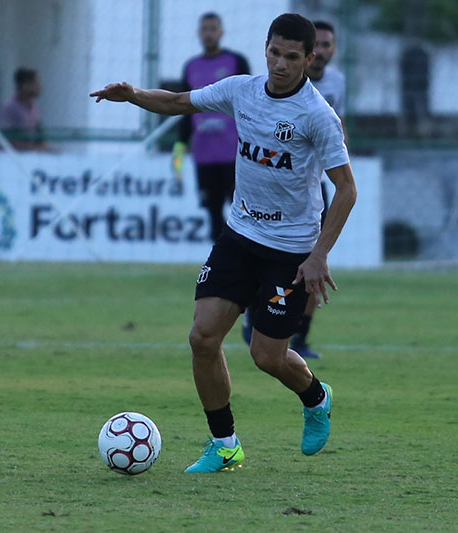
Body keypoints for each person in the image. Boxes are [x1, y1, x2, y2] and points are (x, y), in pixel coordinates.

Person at [90, 13, 357, 473]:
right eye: (274, 53)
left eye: (292, 57)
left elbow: (347, 189)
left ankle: (315, 397)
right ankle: (225, 444)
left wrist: (319, 255)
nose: (280, 64)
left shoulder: (318, 117)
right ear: (266, 48)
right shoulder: (241, 90)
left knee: (266, 357)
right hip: (240, 235)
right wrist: (133, 95)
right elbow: (177, 101)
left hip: (290, 248)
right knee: (202, 337)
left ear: (309, 60)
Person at [243, 19, 348, 359]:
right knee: (256, 251)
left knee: (314, 266)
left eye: (329, 45)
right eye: (275, 53)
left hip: (312, 190)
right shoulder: (264, 89)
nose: (280, 63)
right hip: (269, 190)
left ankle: (300, 336)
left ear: (317, 53)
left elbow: (338, 131)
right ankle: (255, 310)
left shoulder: (331, 90)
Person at [175, 13, 250, 242]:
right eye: (205, 29)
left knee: (243, 212)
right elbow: (185, 109)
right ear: (199, 33)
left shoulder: (236, 62)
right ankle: (220, 264)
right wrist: (180, 144)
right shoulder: (191, 67)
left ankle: (248, 260)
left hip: (234, 153)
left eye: (213, 29)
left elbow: (250, 103)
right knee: (212, 211)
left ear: (221, 32)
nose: (209, 33)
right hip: (204, 154)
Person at [0, 68, 51, 152]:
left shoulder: (32, 108)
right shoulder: (9, 107)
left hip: (29, 154)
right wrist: (36, 148)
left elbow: (40, 135)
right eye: (36, 83)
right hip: (9, 156)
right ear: (25, 85)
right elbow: (8, 140)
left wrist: (46, 148)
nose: (39, 87)